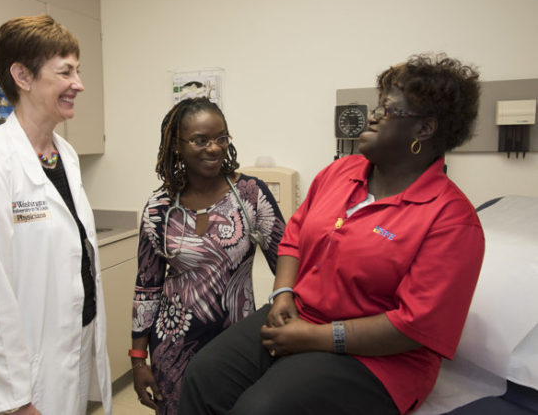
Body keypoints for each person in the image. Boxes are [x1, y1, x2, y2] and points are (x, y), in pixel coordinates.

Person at [178, 54, 485, 415]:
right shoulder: (341, 172)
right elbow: (293, 236)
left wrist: (316, 338)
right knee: (202, 375)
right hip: (300, 313)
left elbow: (413, 326)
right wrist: (282, 294)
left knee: (260, 409)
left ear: (424, 129)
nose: (372, 115)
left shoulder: (450, 219)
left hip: (380, 361)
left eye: (387, 109)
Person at [0, 15, 111, 415]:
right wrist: (14, 401)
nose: (79, 83)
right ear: (22, 75)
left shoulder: (65, 156)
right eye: (65, 71)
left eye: (78, 70)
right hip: (17, 380)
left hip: (68, 348)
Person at [130, 97, 286, 414]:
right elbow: (147, 286)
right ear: (177, 145)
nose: (214, 148)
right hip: (173, 351)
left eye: (221, 138)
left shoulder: (250, 195)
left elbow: (288, 261)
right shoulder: (159, 207)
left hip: (238, 345)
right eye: (201, 140)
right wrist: (138, 359)